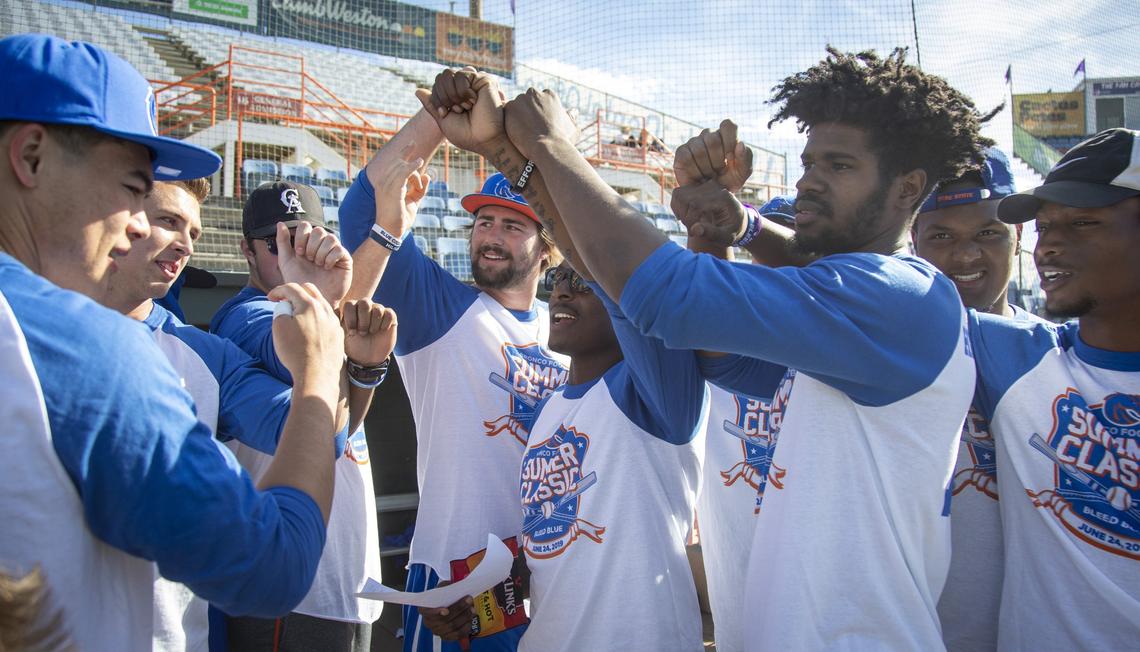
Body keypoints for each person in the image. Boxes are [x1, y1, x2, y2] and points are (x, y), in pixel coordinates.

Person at [487, 46, 995, 648]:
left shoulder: (898, 298)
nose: (809, 181)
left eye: (839, 166)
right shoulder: (852, 313)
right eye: (809, 163)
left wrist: (554, 148)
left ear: (907, 187)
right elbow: (715, 356)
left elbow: (668, 297)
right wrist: (715, 225)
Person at [0, 34, 344, 649]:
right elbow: (274, 564)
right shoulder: (89, 349)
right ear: (30, 156)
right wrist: (319, 369)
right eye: (135, 190)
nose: (138, 223)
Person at [99, 178, 394, 651]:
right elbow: (285, 352)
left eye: (193, 231)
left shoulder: (203, 354)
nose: (184, 243)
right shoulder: (243, 315)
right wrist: (320, 310)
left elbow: (318, 433)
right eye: (168, 221)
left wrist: (355, 359)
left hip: (176, 634)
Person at [337, 104, 568, 651]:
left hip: (549, 578)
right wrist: (439, 119)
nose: (490, 234)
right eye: (483, 221)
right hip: (457, 586)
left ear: (547, 249)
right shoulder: (443, 310)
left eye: (512, 225)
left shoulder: (571, 331)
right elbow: (362, 210)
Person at [417, 259, 707, 652]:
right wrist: (471, 598)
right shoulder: (549, 411)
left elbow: (629, 269)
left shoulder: (655, 398)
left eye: (584, 281)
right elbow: (550, 547)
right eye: (558, 279)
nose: (562, 292)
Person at [970, 128, 1140, 650]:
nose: (1050, 247)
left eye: (1084, 222)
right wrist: (744, 227)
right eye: (1043, 228)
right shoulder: (1012, 357)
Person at [209, 181, 389, 651]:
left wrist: (366, 371)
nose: (295, 252)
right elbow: (290, 349)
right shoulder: (243, 314)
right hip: (286, 592)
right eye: (277, 242)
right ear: (246, 249)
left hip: (345, 579)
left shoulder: (322, 315)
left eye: (305, 237)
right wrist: (322, 298)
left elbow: (337, 430)